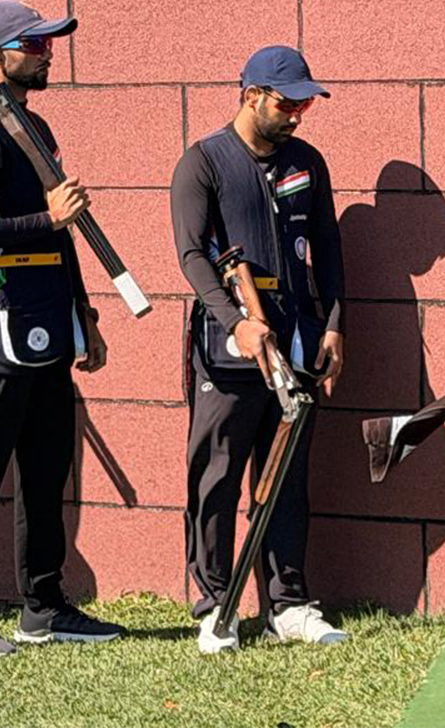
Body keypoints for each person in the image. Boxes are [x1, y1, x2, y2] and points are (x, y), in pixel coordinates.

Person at [0, 0, 118, 658]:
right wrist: (48, 218)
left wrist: (83, 313)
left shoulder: (32, 126)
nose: (46, 53)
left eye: (46, 43)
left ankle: (43, 605)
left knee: (46, 467)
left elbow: (62, 235)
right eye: (33, 45)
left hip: (46, 317)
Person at [170, 45, 346, 654]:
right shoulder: (202, 162)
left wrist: (334, 324)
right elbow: (192, 255)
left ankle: (287, 604)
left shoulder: (308, 162)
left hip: (296, 341)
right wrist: (235, 322)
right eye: (287, 103)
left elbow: (327, 246)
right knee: (216, 478)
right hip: (230, 349)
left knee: (288, 479)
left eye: (304, 105)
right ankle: (214, 605)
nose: (297, 115)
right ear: (251, 96)